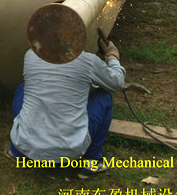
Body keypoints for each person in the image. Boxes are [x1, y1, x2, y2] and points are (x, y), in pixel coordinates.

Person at [8, 39, 126, 179]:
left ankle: (17, 151)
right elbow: (117, 82)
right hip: (69, 151)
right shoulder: (87, 61)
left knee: (22, 89)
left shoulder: (30, 55)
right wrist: (112, 57)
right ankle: (92, 161)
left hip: (27, 147)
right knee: (104, 96)